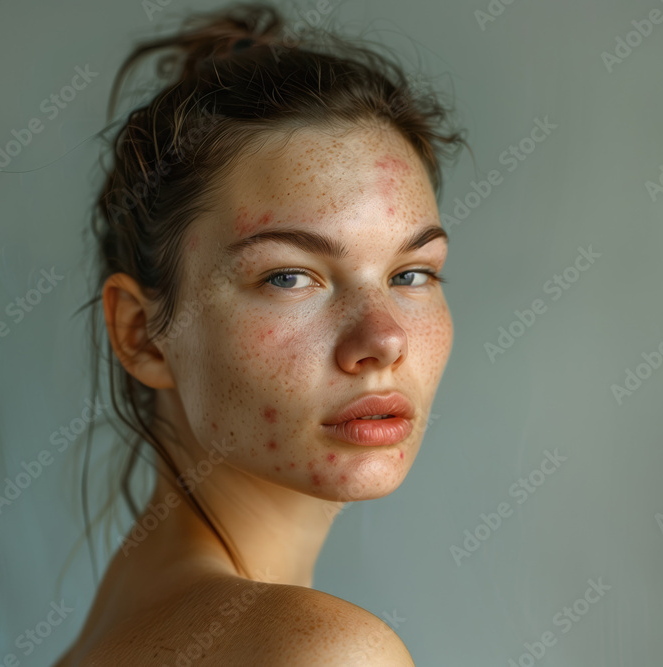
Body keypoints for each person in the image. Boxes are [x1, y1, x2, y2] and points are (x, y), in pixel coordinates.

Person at [54, 3, 466, 664]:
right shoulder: (322, 650)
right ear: (144, 335)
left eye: (412, 273)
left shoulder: (118, 626)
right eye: (289, 277)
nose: (384, 339)